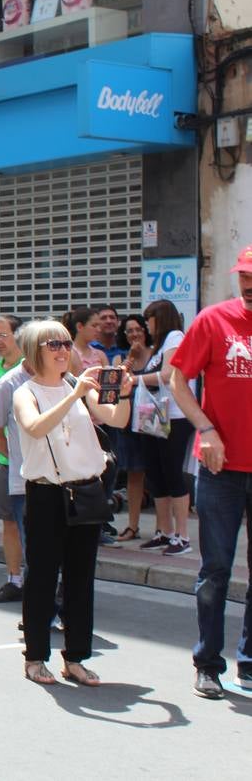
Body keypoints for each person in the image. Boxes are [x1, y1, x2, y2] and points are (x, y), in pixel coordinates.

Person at [14, 320, 132, 686]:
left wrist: (123, 392)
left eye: (66, 343)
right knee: (42, 578)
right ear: (36, 351)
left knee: (81, 580)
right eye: (53, 345)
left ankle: (76, 658)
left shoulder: (77, 387)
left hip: (85, 491)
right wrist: (74, 393)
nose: (63, 350)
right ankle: (35, 657)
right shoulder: (26, 392)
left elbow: (117, 418)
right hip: (47, 493)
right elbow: (35, 427)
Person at [167, 244, 252, 699]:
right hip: (220, 467)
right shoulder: (214, 320)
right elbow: (178, 379)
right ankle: (207, 662)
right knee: (216, 568)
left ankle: (250, 662)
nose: (249, 284)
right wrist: (205, 428)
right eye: (244, 276)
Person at [133, 299, 197, 555]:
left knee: (172, 474)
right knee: (156, 475)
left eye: (149, 319)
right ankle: (164, 530)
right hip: (153, 415)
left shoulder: (175, 337)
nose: (147, 325)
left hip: (174, 415)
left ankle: (182, 535)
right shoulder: (157, 347)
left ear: (160, 318)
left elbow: (170, 374)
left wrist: (133, 380)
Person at [0, 314, 26, 602]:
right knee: (9, 522)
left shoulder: (33, 368)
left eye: (3, 335)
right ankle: (14, 578)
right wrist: (8, 454)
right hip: (6, 461)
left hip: (37, 464)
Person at [114, 314, 153, 541]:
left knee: (158, 476)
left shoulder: (155, 355)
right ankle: (133, 525)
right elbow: (116, 384)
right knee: (134, 475)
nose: (135, 334)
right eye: (130, 331)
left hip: (153, 423)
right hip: (128, 423)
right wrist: (130, 359)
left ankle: (164, 529)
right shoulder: (121, 357)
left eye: (138, 329)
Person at [65, 305, 106, 375]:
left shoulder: (100, 355)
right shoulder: (68, 354)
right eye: (94, 325)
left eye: (99, 326)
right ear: (79, 326)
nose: (98, 330)